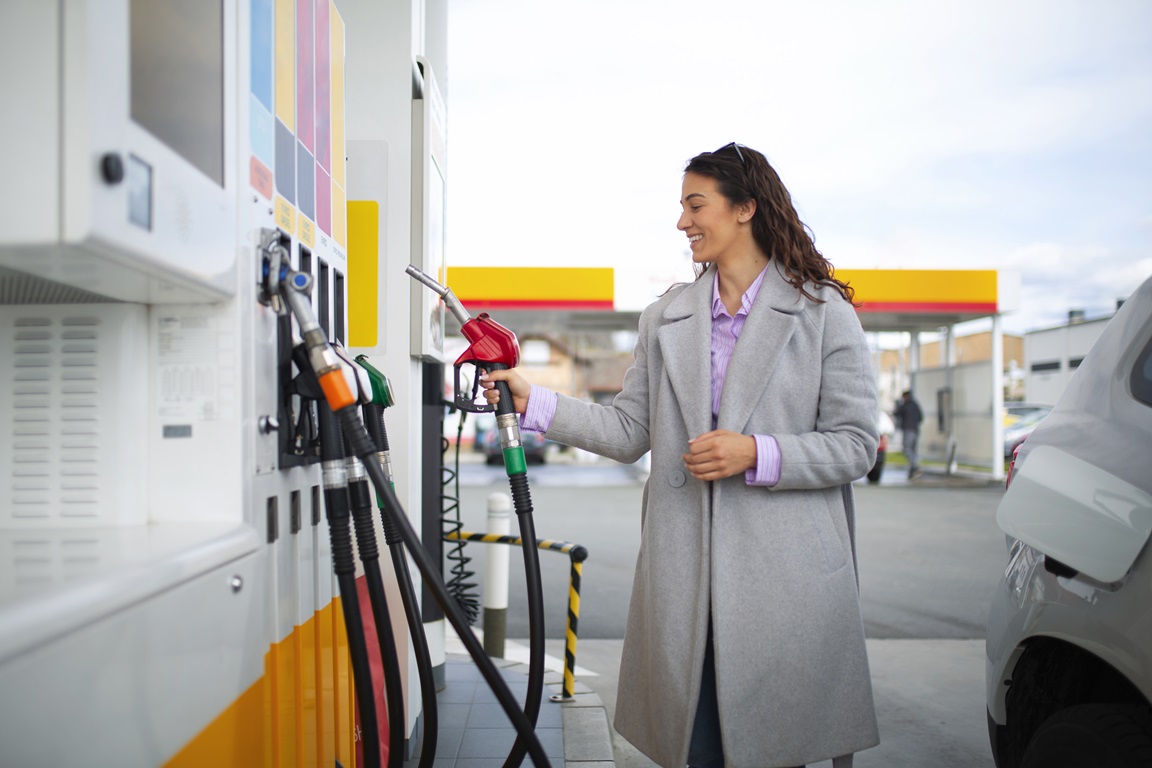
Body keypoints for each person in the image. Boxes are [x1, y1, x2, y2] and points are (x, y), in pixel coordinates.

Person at [481, 143, 879, 768]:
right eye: (682, 207)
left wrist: (756, 452)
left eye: (697, 205)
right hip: (685, 581)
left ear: (746, 207)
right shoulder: (667, 317)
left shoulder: (823, 312)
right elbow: (628, 429)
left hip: (784, 585)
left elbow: (856, 445)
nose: (682, 222)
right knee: (699, 751)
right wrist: (535, 401)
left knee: (777, 749)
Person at [894, 390, 923, 480]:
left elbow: (897, 413)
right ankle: (912, 471)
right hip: (915, 430)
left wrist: (898, 404)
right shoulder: (915, 404)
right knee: (912, 450)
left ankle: (915, 466)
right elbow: (921, 417)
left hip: (908, 430)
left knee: (906, 450)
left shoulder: (905, 405)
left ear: (905, 397)